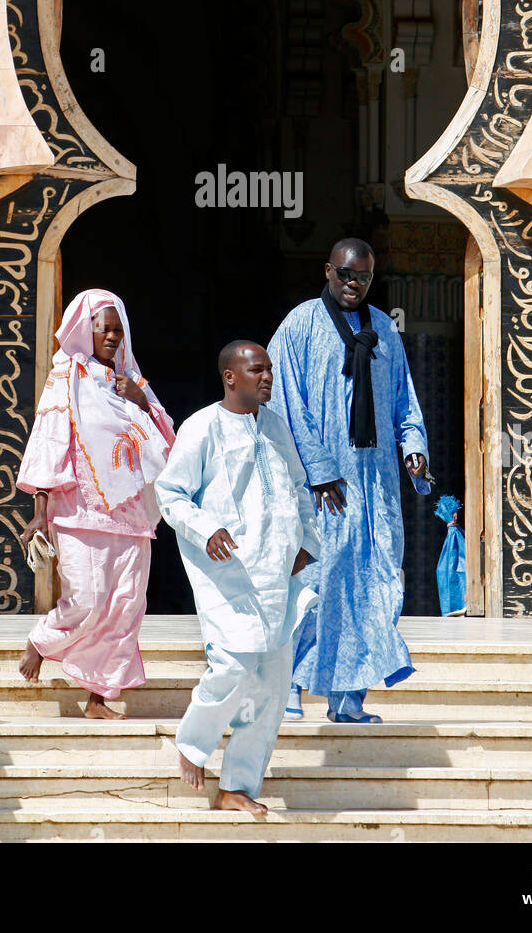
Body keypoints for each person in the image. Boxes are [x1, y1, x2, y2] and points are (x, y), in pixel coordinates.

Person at [267, 237, 430, 723]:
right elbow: (283, 404)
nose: (353, 283)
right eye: (345, 274)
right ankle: (291, 687)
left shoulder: (384, 330)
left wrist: (414, 447)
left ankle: (348, 699)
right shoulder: (299, 325)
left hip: (374, 487)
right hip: (319, 490)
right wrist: (318, 470)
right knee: (314, 586)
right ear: (328, 271)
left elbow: (404, 398)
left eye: (362, 276)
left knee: (374, 585)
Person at [155, 341, 320, 815]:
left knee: (271, 686)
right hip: (230, 576)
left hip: (278, 575)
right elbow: (171, 493)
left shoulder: (275, 427)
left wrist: (306, 541)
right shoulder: (202, 427)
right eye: (257, 370)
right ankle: (193, 743)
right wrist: (206, 529)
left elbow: (297, 488)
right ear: (231, 376)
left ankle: (238, 787)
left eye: (268, 370)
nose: (267, 377)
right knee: (230, 665)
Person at [17, 288, 175, 718]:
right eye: (102, 327)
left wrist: (139, 400)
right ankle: (41, 641)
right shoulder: (66, 376)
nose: (110, 336)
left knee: (124, 607)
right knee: (86, 600)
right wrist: (39, 512)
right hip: (79, 512)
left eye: (117, 330)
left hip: (133, 517)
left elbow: (167, 443)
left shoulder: (134, 383)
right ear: (83, 330)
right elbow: (50, 440)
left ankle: (99, 698)